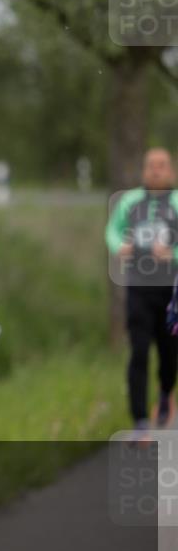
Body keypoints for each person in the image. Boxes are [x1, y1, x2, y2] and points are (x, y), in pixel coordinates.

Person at [105, 147, 178, 436]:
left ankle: (165, 393)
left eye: (162, 165)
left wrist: (172, 254)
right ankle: (139, 419)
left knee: (169, 352)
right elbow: (112, 230)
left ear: (171, 170)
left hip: (171, 289)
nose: (156, 170)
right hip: (139, 287)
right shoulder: (130, 201)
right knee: (138, 351)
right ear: (144, 170)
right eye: (151, 165)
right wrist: (118, 246)